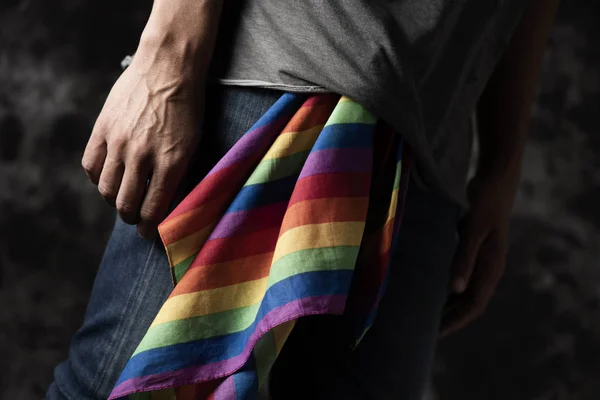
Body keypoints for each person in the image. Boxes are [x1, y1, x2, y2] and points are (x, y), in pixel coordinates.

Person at [46, 0, 561, 399]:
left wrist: (501, 164)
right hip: (280, 82)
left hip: (426, 156)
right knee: (121, 388)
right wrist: (168, 57)